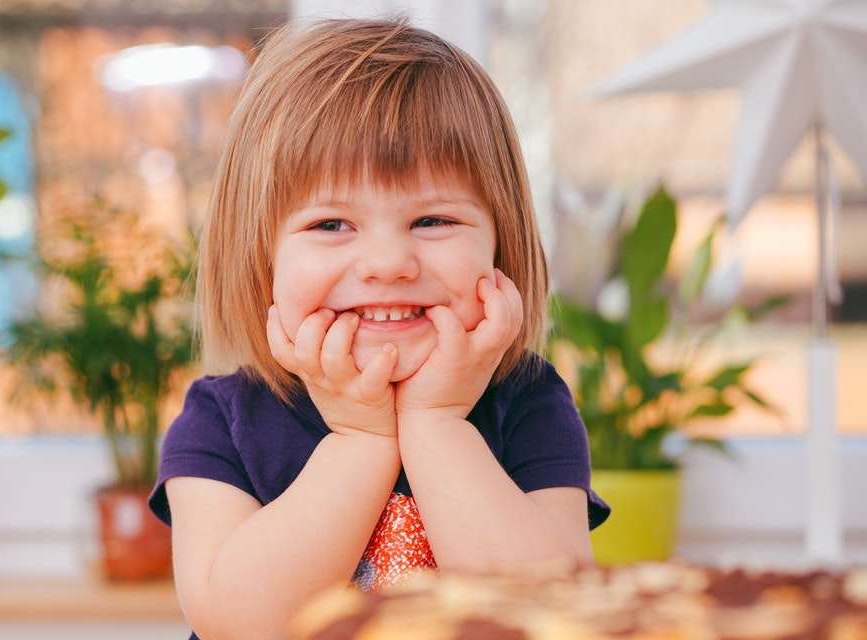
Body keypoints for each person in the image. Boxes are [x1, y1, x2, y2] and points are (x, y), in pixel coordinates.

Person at [147, 16, 610, 640]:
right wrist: (360, 439)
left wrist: (437, 422)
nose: (389, 265)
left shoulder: (529, 402)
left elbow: (549, 611)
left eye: (433, 220)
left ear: (501, 247)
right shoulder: (222, 419)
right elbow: (240, 622)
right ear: (263, 259)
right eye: (332, 225)